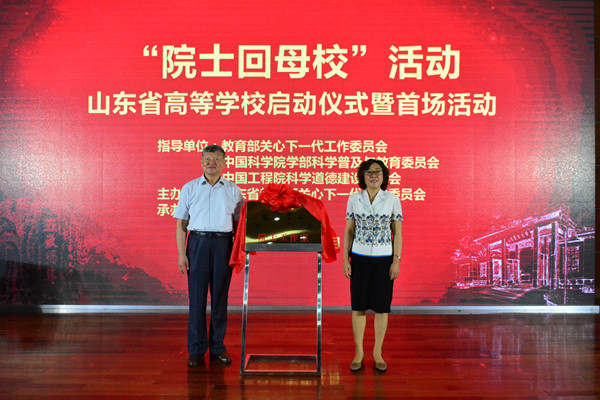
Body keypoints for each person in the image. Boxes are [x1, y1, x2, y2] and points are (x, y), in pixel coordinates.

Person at [174, 144, 244, 367]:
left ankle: (217, 347)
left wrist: (237, 253)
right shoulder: (190, 188)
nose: (211, 163)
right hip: (198, 244)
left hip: (224, 244)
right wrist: (181, 254)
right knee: (197, 299)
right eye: (207, 159)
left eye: (216, 159)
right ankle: (196, 350)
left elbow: (239, 226)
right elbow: (181, 225)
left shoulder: (233, 190)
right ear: (201, 162)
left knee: (220, 299)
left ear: (224, 163)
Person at [343, 159, 403, 373]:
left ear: (384, 176)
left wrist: (396, 260)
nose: (373, 175)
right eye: (369, 172)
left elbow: (398, 233)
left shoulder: (392, 199)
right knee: (358, 306)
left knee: (381, 307)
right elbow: (349, 231)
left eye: (377, 172)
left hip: (384, 259)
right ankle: (359, 353)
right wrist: (345, 259)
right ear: (363, 176)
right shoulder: (354, 199)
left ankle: (377, 353)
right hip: (358, 258)